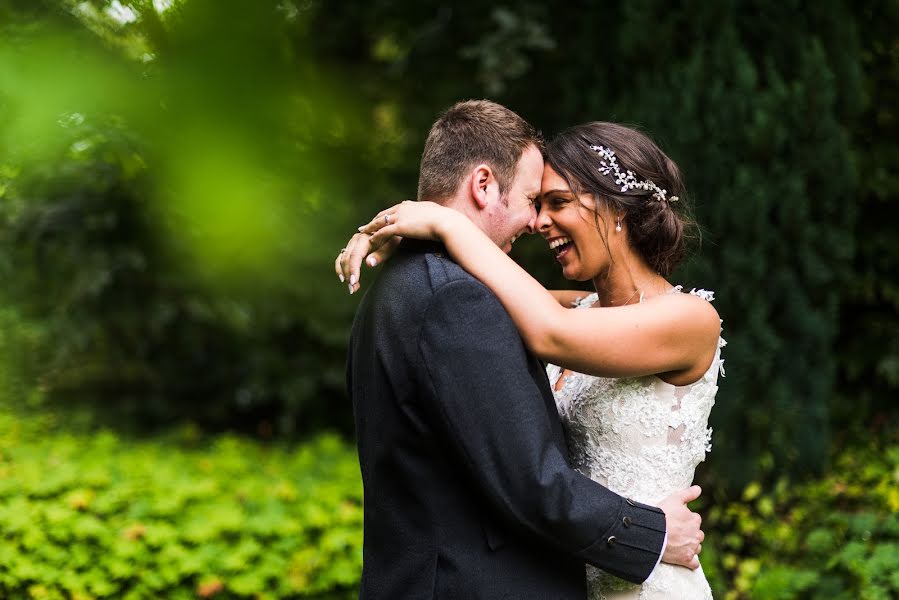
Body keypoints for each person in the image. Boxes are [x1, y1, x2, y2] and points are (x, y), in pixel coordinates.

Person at [339, 118, 722, 599]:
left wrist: (445, 222)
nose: (539, 222)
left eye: (557, 203)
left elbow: (546, 328)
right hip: (592, 560)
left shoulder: (690, 319)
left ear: (616, 209)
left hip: (646, 579)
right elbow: (509, 298)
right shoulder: (574, 309)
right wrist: (414, 239)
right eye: (536, 203)